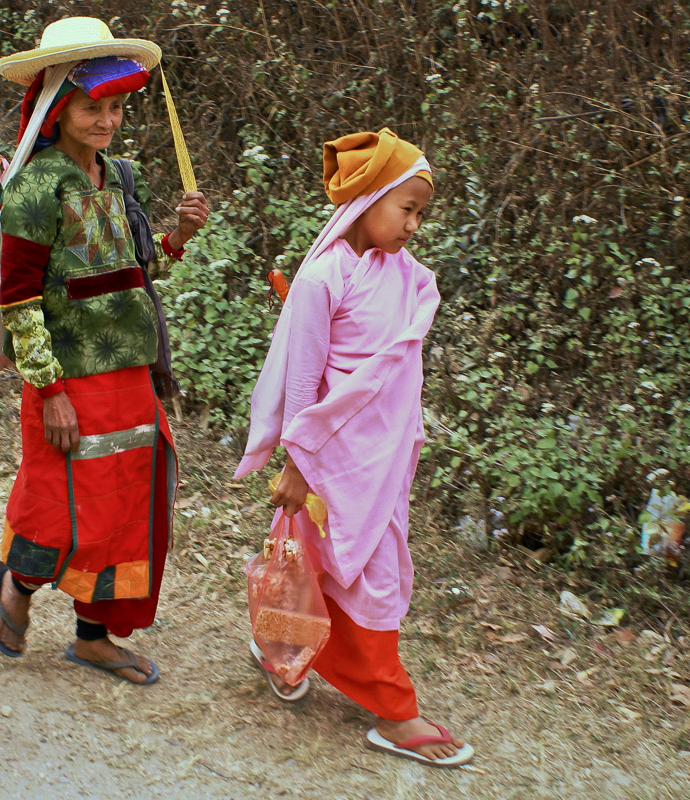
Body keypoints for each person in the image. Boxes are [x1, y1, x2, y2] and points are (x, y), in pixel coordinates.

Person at [234, 129, 475, 767]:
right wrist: (296, 465)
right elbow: (304, 381)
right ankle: (395, 713)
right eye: (408, 208)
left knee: (360, 566)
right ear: (370, 199)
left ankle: (280, 646)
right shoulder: (322, 278)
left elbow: (393, 379)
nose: (415, 225)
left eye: (422, 213)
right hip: (324, 460)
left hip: (379, 462)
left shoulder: (408, 278)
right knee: (330, 563)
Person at [0, 17, 209, 685]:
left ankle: (92, 636)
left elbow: (130, 271)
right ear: (57, 107)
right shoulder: (34, 189)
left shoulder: (121, 178)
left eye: (114, 107)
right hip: (67, 381)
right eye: (92, 106)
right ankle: (16, 588)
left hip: (129, 376)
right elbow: (19, 300)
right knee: (54, 505)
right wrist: (48, 390)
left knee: (121, 511)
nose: (107, 120)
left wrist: (176, 237)